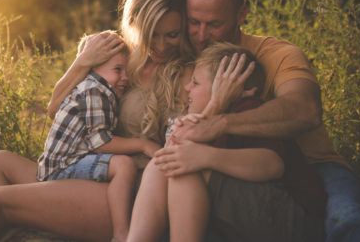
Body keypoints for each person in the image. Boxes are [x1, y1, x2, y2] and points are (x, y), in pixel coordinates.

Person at [0, 0, 194, 242]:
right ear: (135, 24)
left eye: (171, 35)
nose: (159, 46)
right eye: (151, 34)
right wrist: (82, 62)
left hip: (124, 190)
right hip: (84, 168)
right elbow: (55, 109)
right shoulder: (121, 61)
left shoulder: (184, 75)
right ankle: (3, 233)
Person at [171, 0, 360, 242]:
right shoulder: (188, 59)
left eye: (214, 24)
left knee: (348, 220)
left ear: (242, 14)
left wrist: (220, 123)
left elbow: (306, 110)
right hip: (241, 171)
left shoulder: (278, 54)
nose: (201, 36)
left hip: (315, 165)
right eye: (194, 22)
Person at [128, 42, 325, 242]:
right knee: (160, 164)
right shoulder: (210, 120)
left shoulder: (248, 111)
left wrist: (206, 157)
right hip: (256, 214)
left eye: (195, 83)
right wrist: (210, 109)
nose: (187, 88)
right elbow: (173, 150)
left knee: (182, 167)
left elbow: (272, 165)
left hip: (292, 219)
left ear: (233, 88)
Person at [35, 31, 139, 241]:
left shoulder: (95, 87)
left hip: (61, 164)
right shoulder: (95, 90)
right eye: (118, 70)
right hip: (62, 168)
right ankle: (121, 233)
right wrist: (144, 145)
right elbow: (100, 143)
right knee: (124, 166)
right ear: (91, 69)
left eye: (127, 71)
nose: (125, 78)